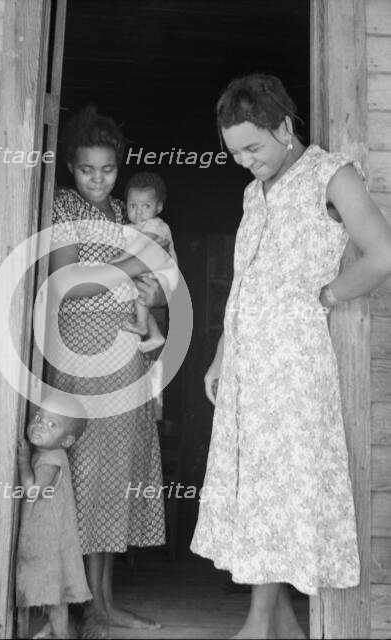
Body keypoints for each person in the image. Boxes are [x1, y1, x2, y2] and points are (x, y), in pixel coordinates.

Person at [191, 73, 391, 639]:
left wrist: (326, 296)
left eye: (253, 147)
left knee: (281, 483)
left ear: (285, 125)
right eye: (234, 152)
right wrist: (221, 356)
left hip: (293, 362)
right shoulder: (254, 193)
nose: (245, 161)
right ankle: (276, 620)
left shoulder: (332, 174)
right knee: (255, 484)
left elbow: (382, 255)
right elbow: (246, 282)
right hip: (248, 363)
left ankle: (258, 623)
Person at [47, 105, 172, 638]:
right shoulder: (63, 208)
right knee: (90, 478)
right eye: (85, 169)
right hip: (84, 360)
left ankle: (107, 604)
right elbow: (67, 285)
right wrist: (136, 265)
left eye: (107, 169)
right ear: (70, 168)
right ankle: (86, 608)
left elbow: (161, 286)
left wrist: (153, 290)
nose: (97, 180)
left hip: (127, 358)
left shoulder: (129, 213)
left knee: (118, 480)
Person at [16, 393, 92, 639]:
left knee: (54, 594)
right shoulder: (48, 453)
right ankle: (53, 629)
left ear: (67, 440)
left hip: (47, 541)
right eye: (39, 417)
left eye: (52, 424)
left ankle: (61, 635)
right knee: (51, 591)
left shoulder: (50, 458)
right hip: (48, 536)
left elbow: (33, 489)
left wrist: (23, 461)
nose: (39, 424)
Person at [110, 171, 179, 352]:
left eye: (146, 206)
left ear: (158, 207)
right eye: (133, 205)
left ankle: (142, 326)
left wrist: (118, 260)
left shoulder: (156, 225)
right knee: (135, 293)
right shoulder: (133, 226)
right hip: (149, 271)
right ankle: (154, 335)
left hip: (162, 272)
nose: (138, 211)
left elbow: (139, 244)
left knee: (138, 292)